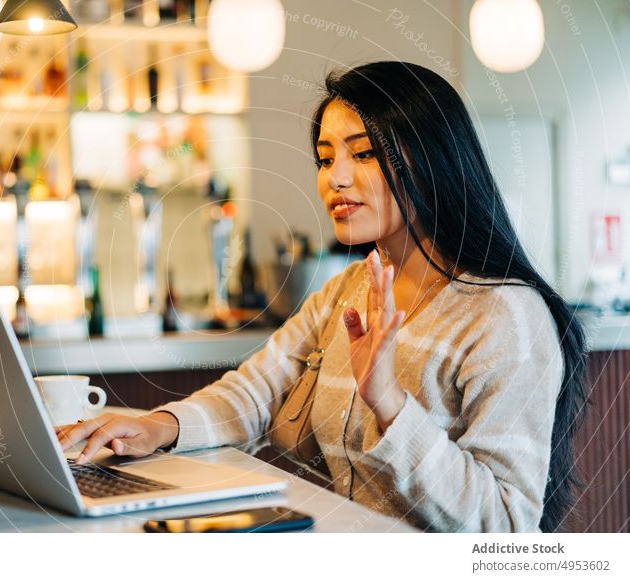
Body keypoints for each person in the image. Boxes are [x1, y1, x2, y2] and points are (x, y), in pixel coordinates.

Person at [57, 61, 588, 533]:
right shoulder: (346, 292)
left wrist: (391, 404)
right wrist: (158, 426)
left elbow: (507, 526)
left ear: (433, 161)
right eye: (324, 156)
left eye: (363, 153)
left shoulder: (505, 316)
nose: (335, 177)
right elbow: (255, 394)